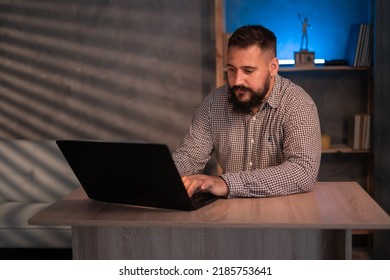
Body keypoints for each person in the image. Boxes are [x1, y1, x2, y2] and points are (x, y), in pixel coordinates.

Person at [172, 25, 321, 199]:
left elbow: (303, 172)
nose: (237, 81)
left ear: (273, 67)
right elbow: (189, 158)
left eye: (248, 71)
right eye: (232, 69)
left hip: (284, 211)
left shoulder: (298, 104)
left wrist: (227, 183)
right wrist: (157, 175)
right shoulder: (212, 104)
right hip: (230, 214)